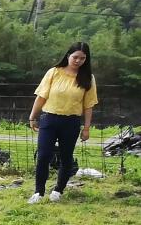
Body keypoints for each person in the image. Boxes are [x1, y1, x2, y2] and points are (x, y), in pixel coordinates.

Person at [27, 42, 98, 204]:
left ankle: (58, 190)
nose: (78, 61)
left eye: (82, 58)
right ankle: (38, 192)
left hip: (71, 122)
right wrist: (32, 116)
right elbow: (41, 96)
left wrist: (86, 128)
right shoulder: (54, 72)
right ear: (68, 56)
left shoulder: (88, 79)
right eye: (75, 57)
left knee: (66, 158)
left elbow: (88, 106)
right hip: (49, 119)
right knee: (44, 155)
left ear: (86, 59)